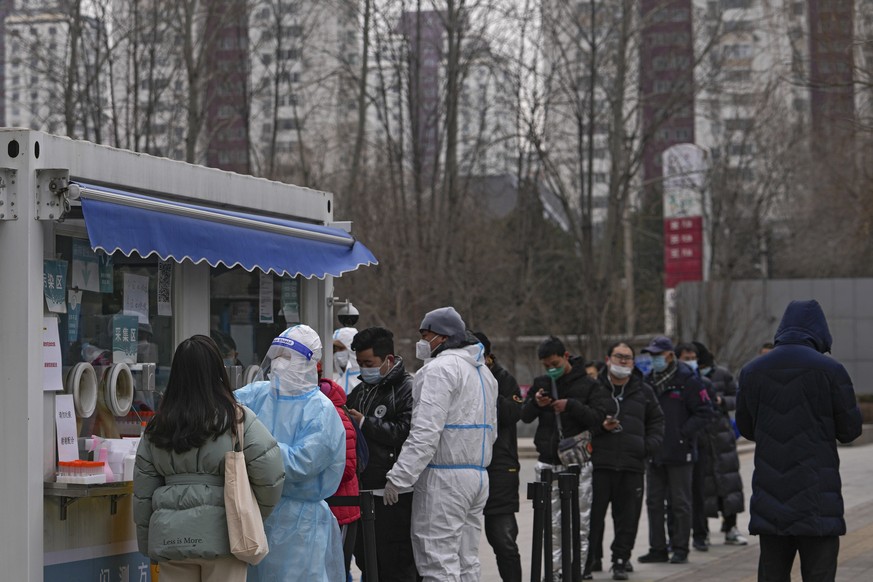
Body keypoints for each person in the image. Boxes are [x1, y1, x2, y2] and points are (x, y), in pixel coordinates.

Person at [133, 335, 285, 582]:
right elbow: (271, 475)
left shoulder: (157, 426)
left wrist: (148, 543)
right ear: (217, 370)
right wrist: (250, 514)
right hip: (226, 535)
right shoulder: (238, 419)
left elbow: (143, 494)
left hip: (171, 537)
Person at [737, 299, 862, 582]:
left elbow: (746, 427)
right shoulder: (831, 370)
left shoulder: (752, 371)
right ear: (820, 331)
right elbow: (849, 430)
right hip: (817, 499)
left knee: (772, 575)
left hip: (770, 499)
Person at [383, 307, 497, 582]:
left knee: (437, 562)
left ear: (443, 337)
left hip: (445, 480)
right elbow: (492, 431)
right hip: (478, 476)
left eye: (426, 334)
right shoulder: (484, 375)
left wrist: (399, 477)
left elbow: (425, 432)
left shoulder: (438, 370)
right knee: (466, 560)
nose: (422, 341)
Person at [235, 324, 347, 582]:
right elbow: (223, 411)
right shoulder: (258, 394)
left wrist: (252, 451)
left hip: (299, 524)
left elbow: (301, 464)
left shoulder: (321, 410)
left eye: (288, 357)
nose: (279, 364)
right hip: (255, 515)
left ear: (309, 362)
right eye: (276, 356)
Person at [521, 336, 612, 581]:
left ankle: (578, 571)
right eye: (546, 365)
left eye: (555, 362)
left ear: (566, 356)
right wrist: (537, 403)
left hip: (577, 462)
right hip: (548, 461)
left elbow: (598, 418)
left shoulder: (588, 384)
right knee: (551, 525)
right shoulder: (542, 382)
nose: (551, 369)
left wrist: (570, 405)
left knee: (580, 523)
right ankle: (553, 571)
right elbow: (526, 416)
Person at [586, 341, 664, 581]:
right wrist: (599, 428)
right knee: (592, 518)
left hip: (632, 465)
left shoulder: (644, 391)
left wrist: (645, 447)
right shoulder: (594, 389)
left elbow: (658, 423)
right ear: (608, 359)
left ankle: (621, 559)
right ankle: (588, 561)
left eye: (627, 358)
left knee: (628, 518)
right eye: (618, 356)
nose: (623, 361)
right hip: (600, 464)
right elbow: (582, 419)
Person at [346, 326, 418, 581]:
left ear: (388, 359)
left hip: (394, 493)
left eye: (369, 363)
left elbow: (406, 432)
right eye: (360, 363)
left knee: (396, 563)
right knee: (368, 560)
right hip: (364, 490)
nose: (364, 369)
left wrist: (366, 423)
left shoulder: (408, 388)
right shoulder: (361, 389)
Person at [637, 336, 712, 566]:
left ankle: (680, 548)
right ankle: (658, 548)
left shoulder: (687, 380)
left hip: (680, 452)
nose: (654, 359)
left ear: (670, 355)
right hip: (655, 452)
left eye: (658, 355)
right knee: (654, 502)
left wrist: (682, 433)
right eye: (652, 355)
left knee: (680, 503)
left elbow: (705, 412)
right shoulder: (649, 380)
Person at [474, 331, 523, 582]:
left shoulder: (504, 379)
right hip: (467, 468)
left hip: (500, 469)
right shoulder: (458, 377)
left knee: (503, 540)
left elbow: (513, 414)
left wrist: (486, 390)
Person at [693, 341, 747, 547]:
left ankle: (731, 527)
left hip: (722, 435)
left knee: (728, 483)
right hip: (700, 435)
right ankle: (702, 531)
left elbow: (738, 397)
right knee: (702, 485)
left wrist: (721, 401)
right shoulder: (690, 376)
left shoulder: (723, 374)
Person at [318, 367, 361, 578]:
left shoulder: (334, 412)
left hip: (339, 508)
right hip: (325, 505)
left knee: (336, 570)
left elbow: (347, 466)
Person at [333, 326, 362, 394]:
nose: (337, 353)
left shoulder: (365, 382)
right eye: (335, 349)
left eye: (341, 349)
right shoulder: (335, 383)